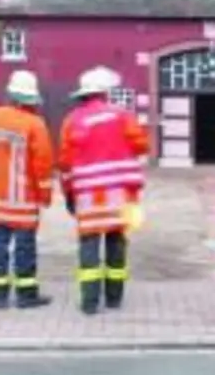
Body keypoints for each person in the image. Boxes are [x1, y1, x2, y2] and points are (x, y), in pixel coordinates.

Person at [58, 67, 151, 314]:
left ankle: (89, 302)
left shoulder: (72, 120)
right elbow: (142, 145)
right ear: (104, 93)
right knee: (117, 241)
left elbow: (65, 162)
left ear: (84, 94)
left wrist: (68, 193)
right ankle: (114, 298)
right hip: (122, 194)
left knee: (89, 244)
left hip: (88, 195)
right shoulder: (122, 116)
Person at [0, 70, 55, 309]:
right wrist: (45, 196)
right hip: (23, 201)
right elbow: (43, 164)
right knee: (24, 248)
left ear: (11, 95)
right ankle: (26, 295)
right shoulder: (35, 124)